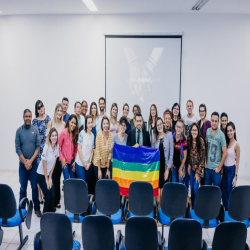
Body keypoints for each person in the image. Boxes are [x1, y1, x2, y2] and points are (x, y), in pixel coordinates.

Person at [15, 109, 41, 217]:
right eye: (26, 116)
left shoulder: (35, 130)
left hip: (34, 165)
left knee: (34, 187)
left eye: (29, 116)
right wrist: (25, 161)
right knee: (23, 188)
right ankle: (22, 210)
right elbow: (18, 148)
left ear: (31, 117)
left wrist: (30, 161)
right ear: (23, 117)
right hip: (22, 166)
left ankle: (37, 209)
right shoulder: (19, 131)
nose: (28, 118)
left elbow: (38, 147)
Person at [46, 103, 65, 210]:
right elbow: (47, 139)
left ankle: (57, 200)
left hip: (60, 155)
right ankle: (51, 199)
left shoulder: (64, 124)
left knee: (57, 178)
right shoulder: (50, 123)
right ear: (55, 111)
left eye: (60, 111)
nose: (59, 112)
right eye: (57, 110)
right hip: (51, 154)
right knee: (51, 177)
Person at [151, 117, 173, 207]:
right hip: (157, 169)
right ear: (156, 127)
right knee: (158, 195)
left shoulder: (169, 135)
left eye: (160, 124)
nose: (159, 126)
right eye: (157, 125)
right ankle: (158, 211)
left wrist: (167, 169)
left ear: (163, 124)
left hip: (165, 168)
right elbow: (152, 153)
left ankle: (161, 210)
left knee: (163, 194)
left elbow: (171, 154)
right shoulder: (154, 137)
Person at [36, 128, 58, 213]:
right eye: (52, 136)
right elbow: (44, 165)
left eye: (55, 135)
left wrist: (50, 177)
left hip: (48, 174)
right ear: (49, 137)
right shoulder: (46, 147)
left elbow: (53, 164)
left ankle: (51, 213)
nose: (54, 137)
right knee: (48, 196)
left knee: (52, 195)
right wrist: (46, 179)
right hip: (41, 175)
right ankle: (45, 215)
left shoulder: (56, 147)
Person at [205, 112, 227, 187]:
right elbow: (205, 147)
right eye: (212, 120)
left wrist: (219, 167)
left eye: (216, 121)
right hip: (207, 168)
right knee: (207, 192)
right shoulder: (208, 131)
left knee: (216, 193)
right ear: (210, 121)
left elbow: (225, 153)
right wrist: (205, 161)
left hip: (216, 170)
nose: (214, 123)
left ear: (218, 122)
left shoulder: (221, 135)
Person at [222, 122, 240, 210]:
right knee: (223, 193)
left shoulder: (236, 145)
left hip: (231, 171)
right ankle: (226, 211)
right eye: (228, 131)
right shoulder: (227, 142)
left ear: (234, 131)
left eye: (231, 131)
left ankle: (231, 212)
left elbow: (237, 162)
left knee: (230, 193)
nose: (229, 133)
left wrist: (235, 177)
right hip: (225, 170)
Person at [187, 123, 205, 208]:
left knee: (195, 188)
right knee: (192, 189)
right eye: (193, 130)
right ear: (190, 131)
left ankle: (196, 207)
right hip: (191, 168)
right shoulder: (189, 140)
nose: (194, 132)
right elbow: (188, 155)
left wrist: (198, 172)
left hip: (199, 169)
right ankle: (193, 207)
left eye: (196, 130)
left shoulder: (201, 141)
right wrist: (189, 165)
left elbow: (202, 159)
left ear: (198, 131)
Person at [58, 114, 79, 180]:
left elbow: (76, 150)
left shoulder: (75, 134)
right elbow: (58, 147)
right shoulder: (63, 132)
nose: (73, 125)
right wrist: (62, 158)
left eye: (75, 123)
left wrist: (75, 161)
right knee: (67, 180)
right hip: (64, 160)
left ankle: (71, 190)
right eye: (72, 122)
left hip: (72, 160)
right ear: (69, 122)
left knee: (72, 180)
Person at [75, 115, 94, 181]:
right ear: (86, 124)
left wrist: (89, 162)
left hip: (87, 164)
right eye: (88, 123)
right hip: (80, 163)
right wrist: (84, 163)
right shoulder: (82, 133)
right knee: (82, 182)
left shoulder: (92, 135)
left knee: (87, 183)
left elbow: (92, 150)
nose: (90, 124)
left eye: (91, 122)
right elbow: (79, 149)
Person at [32, 100, 51, 165]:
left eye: (42, 106)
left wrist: (46, 146)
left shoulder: (48, 118)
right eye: (39, 108)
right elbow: (33, 135)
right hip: (37, 148)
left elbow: (49, 133)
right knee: (38, 168)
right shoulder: (34, 121)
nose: (41, 108)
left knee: (46, 167)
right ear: (36, 110)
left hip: (46, 146)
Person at [197, 103, 211, 186]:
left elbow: (208, 141)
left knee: (205, 179)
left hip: (205, 154)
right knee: (199, 176)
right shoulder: (198, 122)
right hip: (198, 153)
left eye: (203, 111)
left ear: (205, 112)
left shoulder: (208, 123)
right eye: (200, 111)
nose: (201, 112)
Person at [172, 119, 188, 187]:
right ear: (175, 127)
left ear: (182, 129)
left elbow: (184, 157)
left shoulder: (184, 140)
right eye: (177, 127)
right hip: (174, 165)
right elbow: (169, 152)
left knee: (180, 185)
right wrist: (171, 163)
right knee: (174, 184)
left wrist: (180, 169)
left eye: (180, 127)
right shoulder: (171, 137)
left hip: (181, 165)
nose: (178, 129)